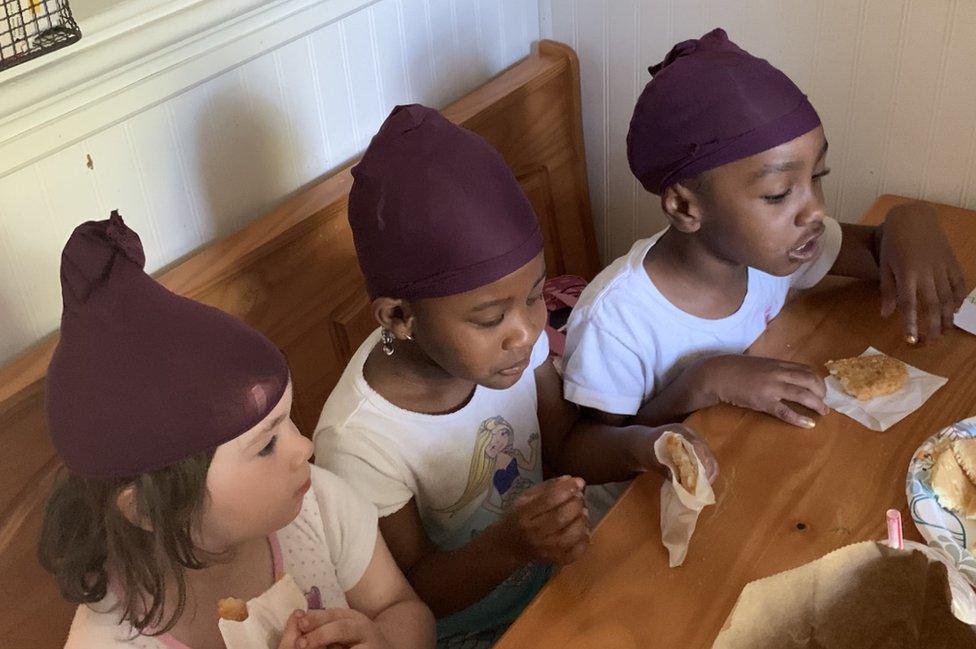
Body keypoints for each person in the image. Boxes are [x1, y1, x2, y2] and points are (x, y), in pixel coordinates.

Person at [314, 105, 717, 648]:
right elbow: (407, 595)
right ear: (398, 318)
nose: (527, 333)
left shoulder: (508, 346)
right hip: (473, 631)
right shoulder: (359, 439)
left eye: (534, 295)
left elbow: (565, 448)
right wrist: (510, 545)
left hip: (557, 579)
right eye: (488, 318)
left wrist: (646, 448)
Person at [561, 27, 966, 518]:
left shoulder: (780, 251)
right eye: (779, 194)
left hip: (744, 476)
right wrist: (706, 381)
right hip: (640, 518)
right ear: (685, 206)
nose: (813, 209)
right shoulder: (618, 319)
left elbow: (880, 251)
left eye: (817, 177)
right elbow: (584, 450)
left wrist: (911, 218)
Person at [39, 212, 435, 649]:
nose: (303, 446)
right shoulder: (108, 641)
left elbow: (403, 609)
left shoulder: (320, 507)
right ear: (148, 510)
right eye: (266, 444)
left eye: (288, 420)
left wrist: (382, 640)